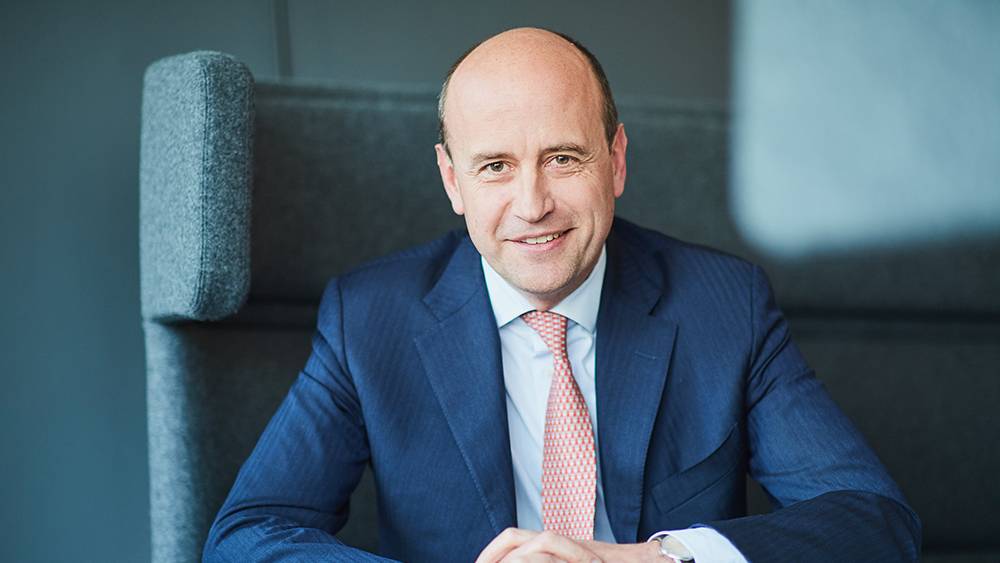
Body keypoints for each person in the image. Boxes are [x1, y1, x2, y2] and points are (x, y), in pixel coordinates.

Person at [204, 28, 920, 562]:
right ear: (452, 181)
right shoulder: (368, 319)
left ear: (616, 160)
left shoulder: (724, 305)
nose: (532, 203)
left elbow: (875, 522)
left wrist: (657, 559)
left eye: (563, 158)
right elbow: (248, 533)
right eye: (495, 166)